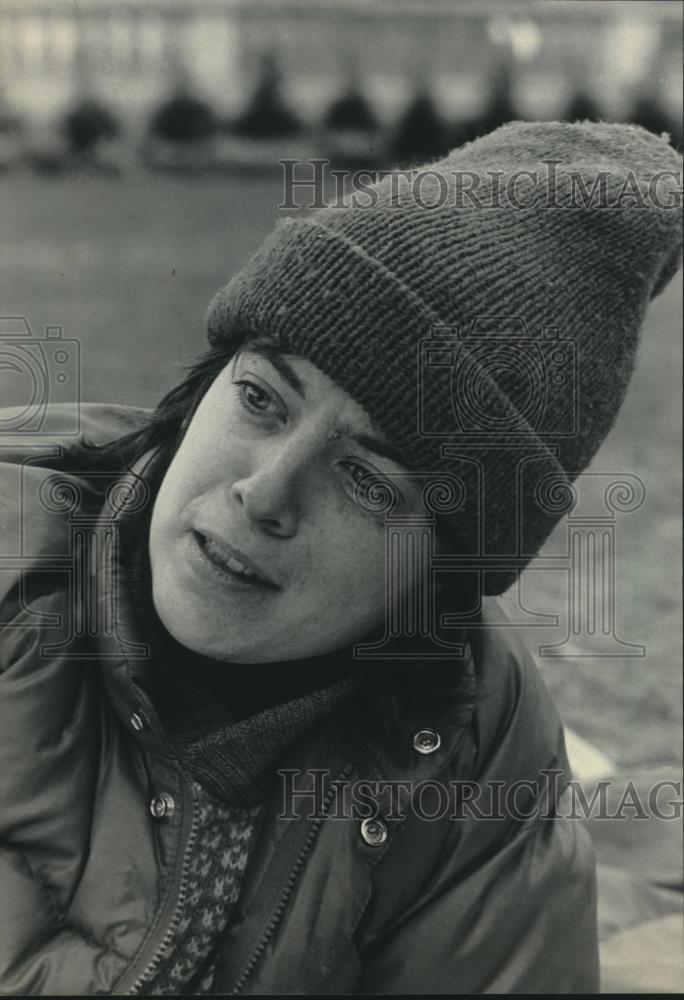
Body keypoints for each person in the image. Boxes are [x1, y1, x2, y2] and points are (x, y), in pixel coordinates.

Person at [0, 120, 681, 996]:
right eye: (259, 397)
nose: (267, 492)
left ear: (442, 576)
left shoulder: (475, 761)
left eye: (365, 479)